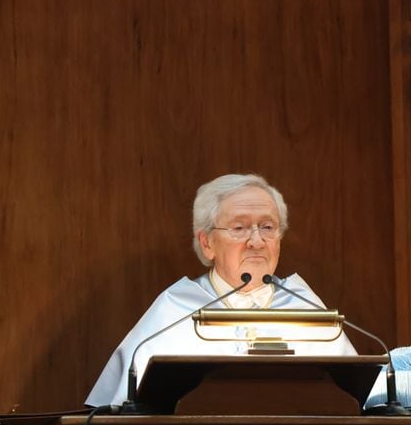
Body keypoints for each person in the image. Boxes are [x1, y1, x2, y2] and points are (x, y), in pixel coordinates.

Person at [85, 173, 357, 407]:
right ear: (206, 243)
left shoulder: (306, 306)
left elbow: (354, 400)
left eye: (267, 227)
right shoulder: (175, 311)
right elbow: (123, 413)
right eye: (239, 228)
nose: (257, 241)